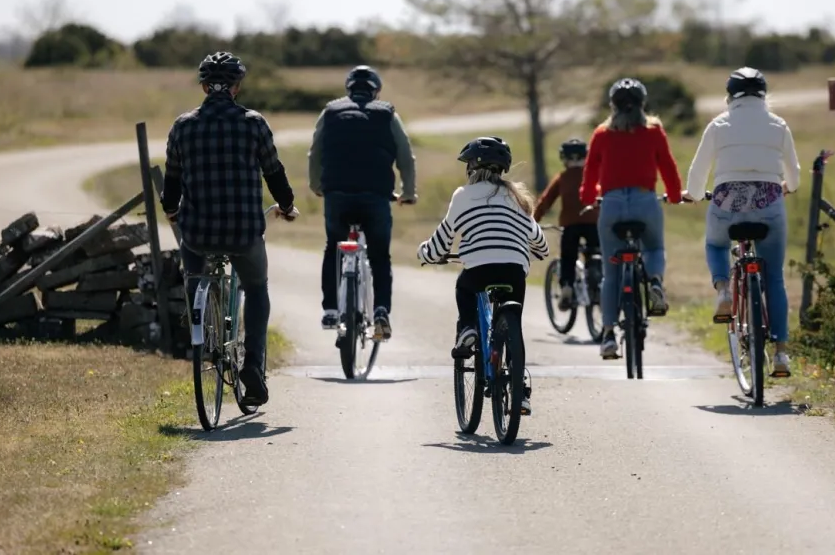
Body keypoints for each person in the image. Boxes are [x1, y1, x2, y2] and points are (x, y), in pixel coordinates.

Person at [161, 51, 299, 407]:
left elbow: (172, 182)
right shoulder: (254, 123)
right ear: (236, 87)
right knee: (256, 288)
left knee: (194, 271)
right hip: (244, 232)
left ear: (205, 87)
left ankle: (200, 318)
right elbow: (274, 173)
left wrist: (172, 211)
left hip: (198, 233)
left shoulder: (183, 126)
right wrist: (286, 206)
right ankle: (252, 365)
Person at [417, 136, 548, 416]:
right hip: (514, 270)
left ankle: (468, 329)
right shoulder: (518, 197)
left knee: (464, 288)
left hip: (478, 269)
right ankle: (520, 388)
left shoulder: (462, 195)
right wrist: (536, 251)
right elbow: (540, 241)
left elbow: (442, 242)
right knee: (516, 328)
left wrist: (426, 253)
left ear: (472, 167)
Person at [684, 66, 801, 377]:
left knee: (715, 242)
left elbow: (697, 174)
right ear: (763, 95)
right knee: (773, 278)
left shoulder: (718, 125)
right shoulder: (779, 125)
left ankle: (723, 290)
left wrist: (694, 194)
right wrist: (785, 187)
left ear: (729, 96)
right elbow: (795, 176)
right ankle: (780, 355)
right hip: (770, 205)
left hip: (726, 204)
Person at [308, 65, 417, 341]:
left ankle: (331, 309)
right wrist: (408, 193)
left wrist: (316, 187)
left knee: (333, 247)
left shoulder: (330, 112)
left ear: (349, 89)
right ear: (375, 90)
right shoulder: (388, 114)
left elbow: (315, 152)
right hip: (376, 195)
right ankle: (381, 310)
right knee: (379, 255)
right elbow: (405, 154)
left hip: (337, 195)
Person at [579, 77, 684, 359]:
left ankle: (609, 334)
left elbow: (589, 175)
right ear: (643, 104)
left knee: (611, 274)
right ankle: (655, 283)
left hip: (611, 205)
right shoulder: (654, 131)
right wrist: (674, 195)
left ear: (612, 105)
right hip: (645, 202)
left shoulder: (601, 134)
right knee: (653, 248)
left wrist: (589, 199)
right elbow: (669, 168)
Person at [533, 138, 600, 310]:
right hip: (594, 222)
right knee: (596, 252)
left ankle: (567, 286)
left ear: (564, 158)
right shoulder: (594, 174)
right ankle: (597, 273)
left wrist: (533, 221)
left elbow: (545, 202)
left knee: (568, 257)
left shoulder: (562, 178)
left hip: (570, 225)